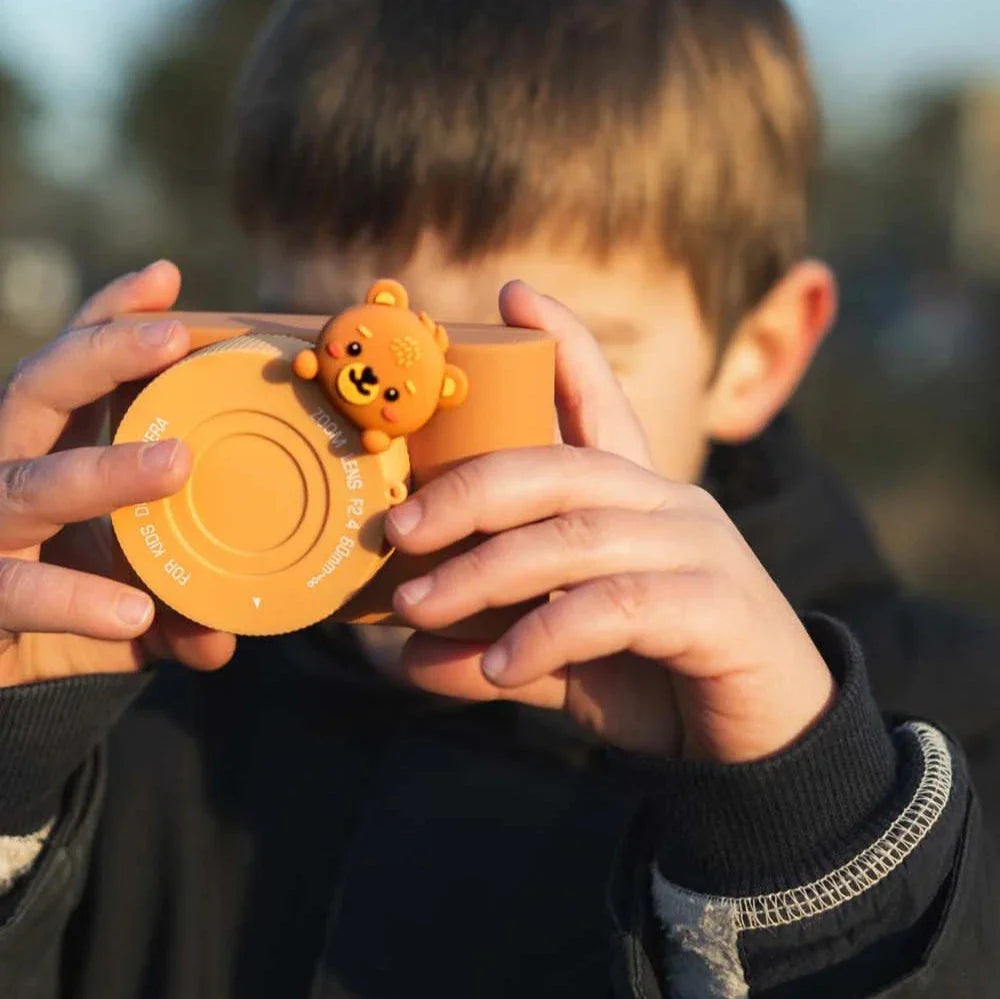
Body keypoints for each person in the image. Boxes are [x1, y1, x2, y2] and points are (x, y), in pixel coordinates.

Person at [0, 0, 996, 996]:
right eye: (333, 365)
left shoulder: (940, 733)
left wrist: (799, 823)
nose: (404, 461)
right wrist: (15, 758)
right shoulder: (134, 691)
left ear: (757, 356)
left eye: (517, 375)